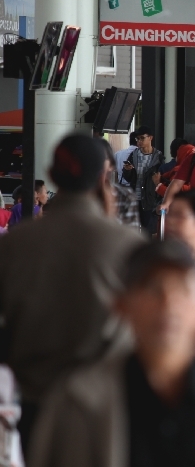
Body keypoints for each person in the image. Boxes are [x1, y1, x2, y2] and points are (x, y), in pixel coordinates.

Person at [29, 240, 195, 467]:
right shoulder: (79, 401)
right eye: (153, 288)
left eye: (183, 289)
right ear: (121, 305)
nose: (169, 304)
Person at [0, 134, 145, 452]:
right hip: (106, 404)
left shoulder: (14, 244)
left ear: (52, 175)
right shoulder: (128, 246)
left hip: (37, 396)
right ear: (102, 175)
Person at [122, 125, 163, 234]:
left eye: (142, 138)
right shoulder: (134, 155)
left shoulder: (158, 157)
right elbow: (128, 177)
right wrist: (127, 170)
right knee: (133, 231)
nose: (139, 141)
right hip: (135, 197)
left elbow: (161, 177)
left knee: (148, 231)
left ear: (150, 138)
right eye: (137, 139)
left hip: (150, 199)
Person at [97, 139, 141, 229]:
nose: (95, 163)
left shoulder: (125, 196)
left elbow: (131, 236)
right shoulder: (73, 197)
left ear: (111, 165)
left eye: (101, 158)